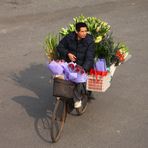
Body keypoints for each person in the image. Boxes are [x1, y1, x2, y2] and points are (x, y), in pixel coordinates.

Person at [57, 22, 95, 108]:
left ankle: (78, 99)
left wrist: (82, 69)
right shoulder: (69, 38)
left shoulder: (89, 41)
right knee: (59, 77)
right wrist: (68, 54)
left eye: (86, 31)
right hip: (70, 65)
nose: (84, 33)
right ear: (76, 31)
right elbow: (60, 47)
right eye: (82, 31)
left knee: (78, 80)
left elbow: (89, 58)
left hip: (83, 65)